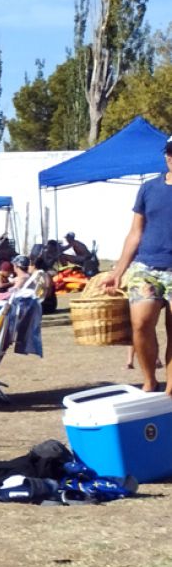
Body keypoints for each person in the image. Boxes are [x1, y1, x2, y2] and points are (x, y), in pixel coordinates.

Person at [99, 136, 172, 394]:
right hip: (147, 267)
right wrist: (118, 271)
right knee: (140, 324)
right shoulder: (148, 189)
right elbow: (135, 233)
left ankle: (170, 388)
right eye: (170, 152)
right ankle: (150, 379)